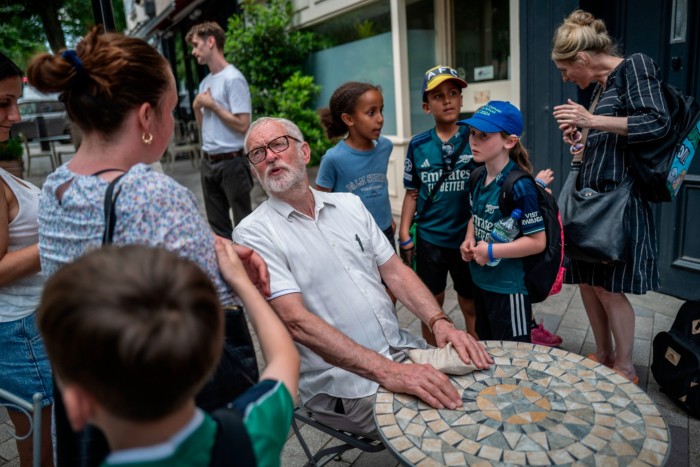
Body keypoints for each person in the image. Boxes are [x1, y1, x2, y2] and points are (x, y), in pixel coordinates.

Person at [27, 28, 268, 465]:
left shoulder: (56, 187)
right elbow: (210, 302)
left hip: (91, 385)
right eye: (170, 109)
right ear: (144, 118)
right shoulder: (152, 193)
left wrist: (209, 240)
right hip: (158, 397)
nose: (174, 123)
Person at [233, 116, 493, 439]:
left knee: (484, 375)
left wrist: (440, 322)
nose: (269, 156)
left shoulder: (349, 205)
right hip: (343, 385)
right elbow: (295, 321)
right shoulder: (252, 234)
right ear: (254, 169)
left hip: (398, 349)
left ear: (304, 152)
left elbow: (395, 271)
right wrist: (391, 373)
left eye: (278, 144)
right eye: (257, 153)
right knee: (452, 419)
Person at [36, 244, 299, 467]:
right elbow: (284, 358)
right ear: (208, 362)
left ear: (76, 405)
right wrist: (241, 281)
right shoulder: (251, 435)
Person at [551, 10, 669, 384]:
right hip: (593, 199)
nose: (566, 78)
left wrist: (591, 121)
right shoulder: (601, 89)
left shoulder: (636, 66)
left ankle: (626, 367)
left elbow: (656, 121)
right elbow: (611, 138)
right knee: (587, 281)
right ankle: (602, 353)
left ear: (582, 59)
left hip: (618, 203)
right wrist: (581, 142)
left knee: (610, 287)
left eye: (567, 69)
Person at [397, 65, 478, 344]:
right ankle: (436, 358)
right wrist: (405, 233)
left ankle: (478, 350)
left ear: (461, 99)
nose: (447, 100)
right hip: (431, 239)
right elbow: (412, 192)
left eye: (453, 93)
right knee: (432, 304)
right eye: (438, 96)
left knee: (470, 302)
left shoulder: (475, 136)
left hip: (467, 239)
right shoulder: (418, 145)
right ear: (426, 106)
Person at [0, 51, 53, 467]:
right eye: (4, 103)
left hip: (30, 324)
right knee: (39, 448)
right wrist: (60, 235)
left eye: (16, 102)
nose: (15, 115)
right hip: (19, 331)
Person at [459, 101, 546, 342]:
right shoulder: (477, 175)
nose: (474, 141)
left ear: (509, 141)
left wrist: (491, 250)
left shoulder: (520, 186)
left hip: (509, 288)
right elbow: (474, 218)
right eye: (472, 133)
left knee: (515, 355)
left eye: (484, 135)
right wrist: (469, 240)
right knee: (487, 343)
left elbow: (537, 242)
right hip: (481, 282)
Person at [317, 82, 397, 301]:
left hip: (385, 232)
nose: (380, 118)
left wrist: (387, 216)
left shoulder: (385, 147)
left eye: (381, 110)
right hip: (353, 239)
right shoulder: (334, 159)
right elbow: (319, 202)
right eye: (371, 112)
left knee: (393, 290)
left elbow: (379, 185)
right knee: (366, 295)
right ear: (348, 119)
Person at [187, 21, 253, 238]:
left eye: (196, 45)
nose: (194, 51)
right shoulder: (205, 81)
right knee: (218, 229)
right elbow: (203, 126)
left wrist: (213, 105)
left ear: (211, 41)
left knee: (245, 225)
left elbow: (243, 125)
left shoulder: (233, 78)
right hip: (208, 162)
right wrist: (199, 107)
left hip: (232, 163)